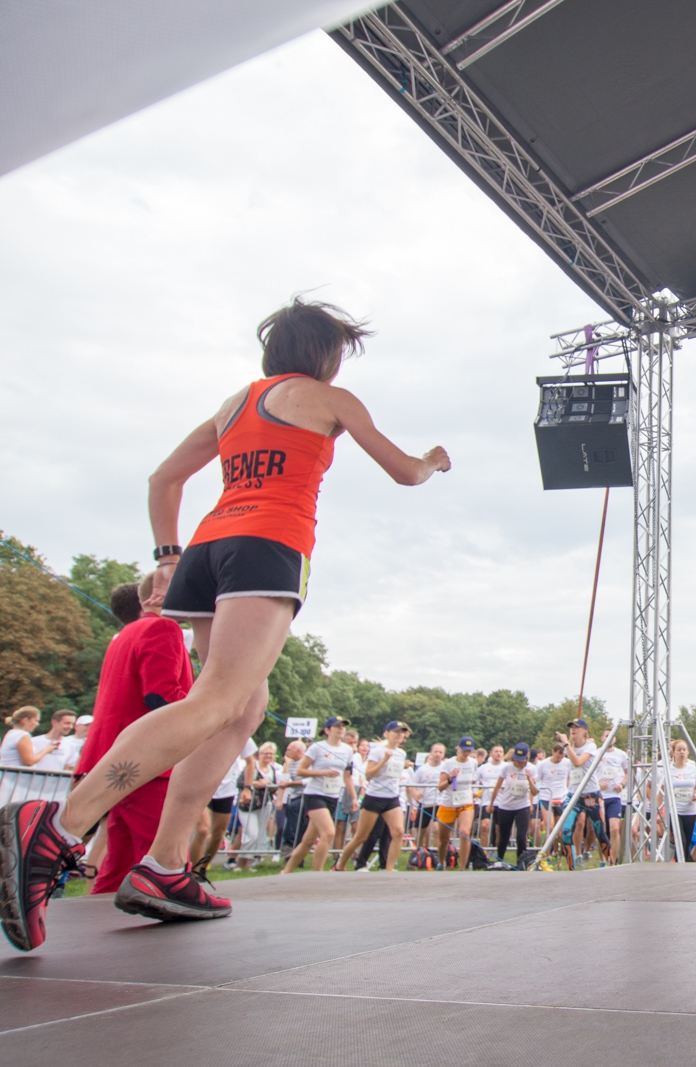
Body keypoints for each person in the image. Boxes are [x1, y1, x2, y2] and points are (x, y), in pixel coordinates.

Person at [1, 297, 452, 948]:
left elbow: (164, 478)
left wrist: (166, 558)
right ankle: (59, 827)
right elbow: (406, 472)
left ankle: (163, 862)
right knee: (216, 700)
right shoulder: (331, 399)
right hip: (267, 548)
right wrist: (435, 458)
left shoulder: (236, 403)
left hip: (210, 550)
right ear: (326, 357)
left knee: (241, 709)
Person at [69, 574, 194, 899]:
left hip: (112, 757)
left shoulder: (124, 634)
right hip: (148, 764)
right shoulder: (164, 628)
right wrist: (210, 709)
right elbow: (160, 695)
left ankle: (96, 925)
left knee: (118, 862)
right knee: (164, 858)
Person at [281, 717, 354, 874]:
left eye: (343, 727)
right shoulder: (317, 748)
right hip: (315, 794)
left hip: (333, 796)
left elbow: (347, 776)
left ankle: (286, 871)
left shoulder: (347, 750)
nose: (341, 729)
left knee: (307, 841)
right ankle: (317, 874)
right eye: (337, 727)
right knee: (328, 833)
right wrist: (323, 772)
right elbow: (301, 770)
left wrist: (354, 798)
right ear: (327, 730)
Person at [335, 721, 410, 872]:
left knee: (398, 832)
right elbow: (369, 775)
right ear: (387, 734)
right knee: (361, 836)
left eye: (402, 733)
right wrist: (384, 760)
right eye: (396, 732)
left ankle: (388, 868)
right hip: (375, 797)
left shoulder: (401, 753)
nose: (400, 735)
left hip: (391, 797)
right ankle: (340, 865)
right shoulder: (378, 751)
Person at [193, 738, 257, 878]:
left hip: (225, 790)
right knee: (203, 830)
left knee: (218, 834)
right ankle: (193, 873)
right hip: (201, 787)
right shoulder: (207, 724)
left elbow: (250, 761)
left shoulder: (240, 728)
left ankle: (203, 868)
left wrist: (247, 788)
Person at [557, 719, 610, 863]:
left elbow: (578, 762)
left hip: (590, 793)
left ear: (584, 731)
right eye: (571, 728)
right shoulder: (570, 747)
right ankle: (572, 864)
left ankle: (611, 861)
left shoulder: (591, 746)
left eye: (577, 728)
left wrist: (567, 744)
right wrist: (568, 745)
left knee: (598, 831)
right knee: (567, 830)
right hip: (573, 794)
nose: (573, 730)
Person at [434, 737, 479, 871]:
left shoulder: (473, 763)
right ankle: (442, 862)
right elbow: (440, 787)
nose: (466, 754)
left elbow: (472, 780)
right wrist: (450, 779)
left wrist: (473, 791)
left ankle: (462, 868)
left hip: (465, 802)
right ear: (458, 749)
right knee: (444, 839)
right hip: (448, 803)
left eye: (469, 751)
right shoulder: (448, 764)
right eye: (464, 750)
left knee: (465, 832)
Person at [488, 743, 536, 864]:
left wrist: (529, 779)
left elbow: (535, 791)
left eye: (522, 761)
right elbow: (497, 786)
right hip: (506, 805)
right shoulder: (507, 768)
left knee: (521, 836)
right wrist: (491, 803)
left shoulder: (531, 769)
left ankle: (521, 861)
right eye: (517, 760)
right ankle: (500, 860)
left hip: (522, 805)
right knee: (503, 836)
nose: (519, 763)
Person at [236, 743, 283, 865]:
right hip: (248, 805)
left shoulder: (272, 770)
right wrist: (257, 783)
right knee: (251, 833)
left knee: (259, 835)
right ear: (259, 754)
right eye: (265, 753)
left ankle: (248, 862)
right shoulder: (252, 766)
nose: (268, 756)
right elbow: (241, 782)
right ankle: (241, 862)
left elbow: (274, 787)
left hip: (264, 804)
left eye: (271, 754)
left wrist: (270, 786)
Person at [475, 745, 505, 847]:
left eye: (501, 752)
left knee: (499, 830)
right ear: (491, 754)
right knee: (484, 826)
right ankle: (484, 852)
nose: (498, 753)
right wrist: (475, 793)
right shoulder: (483, 768)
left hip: (502, 802)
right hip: (487, 801)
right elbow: (473, 781)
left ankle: (496, 852)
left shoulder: (506, 767)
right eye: (496, 751)